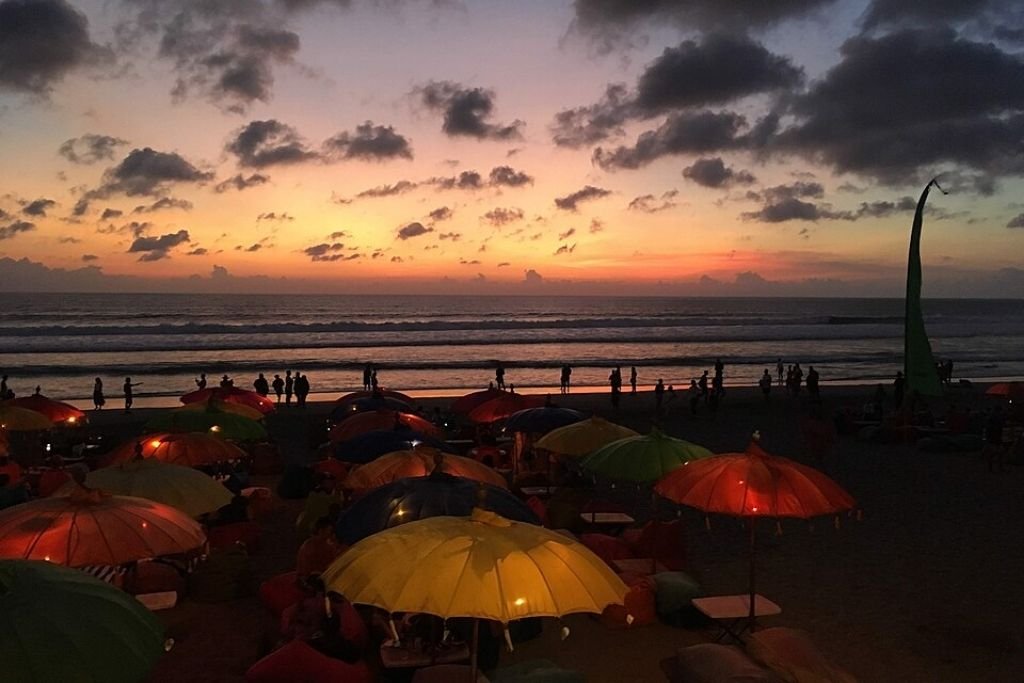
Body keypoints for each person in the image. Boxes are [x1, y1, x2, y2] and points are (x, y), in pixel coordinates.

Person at [984, 406, 1006, 472]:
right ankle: (996, 467)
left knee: (996, 453)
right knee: (997, 453)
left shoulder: (991, 417)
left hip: (994, 437)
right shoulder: (996, 418)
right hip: (995, 437)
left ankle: (992, 468)